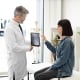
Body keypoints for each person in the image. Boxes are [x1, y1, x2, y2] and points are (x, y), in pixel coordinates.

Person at [4, 6, 33, 80]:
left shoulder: (18, 26)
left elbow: (21, 41)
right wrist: (28, 48)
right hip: (15, 65)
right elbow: (13, 47)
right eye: (24, 17)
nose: (25, 19)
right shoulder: (10, 28)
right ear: (19, 16)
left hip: (21, 64)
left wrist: (32, 42)